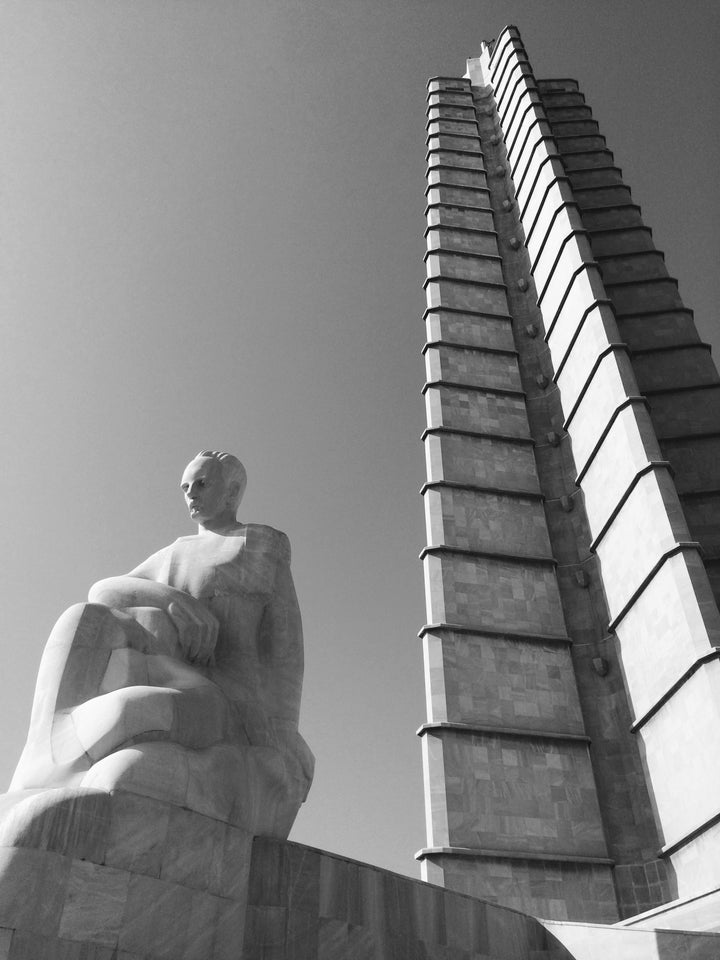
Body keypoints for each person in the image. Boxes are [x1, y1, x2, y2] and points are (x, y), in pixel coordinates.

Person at [10, 451, 313, 835]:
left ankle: (55, 778)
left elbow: (286, 653)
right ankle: (39, 771)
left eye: (202, 484)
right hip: (178, 676)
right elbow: (103, 591)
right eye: (185, 487)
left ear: (233, 491)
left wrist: (282, 734)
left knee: (130, 710)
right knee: (79, 618)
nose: (191, 494)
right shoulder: (176, 552)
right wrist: (171, 599)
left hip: (232, 705)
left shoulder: (260, 545)